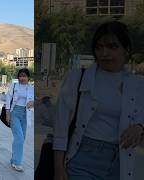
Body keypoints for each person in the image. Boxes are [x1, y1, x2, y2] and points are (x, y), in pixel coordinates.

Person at [53, 21, 144, 180]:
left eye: (112, 47)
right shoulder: (78, 78)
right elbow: (60, 127)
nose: (104, 53)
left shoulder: (137, 84)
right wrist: (58, 168)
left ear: (126, 50)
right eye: (99, 47)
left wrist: (139, 127)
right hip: (82, 160)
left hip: (121, 162)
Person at [5, 68, 34, 172]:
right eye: (20, 76)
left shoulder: (31, 88)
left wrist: (33, 102)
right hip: (15, 113)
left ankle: (13, 159)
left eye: (24, 76)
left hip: (25, 114)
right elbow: (8, 100)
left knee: (21, 138)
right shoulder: (14, 86)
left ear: (28, 77)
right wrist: (8, 114)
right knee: (19, 138)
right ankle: (17, 163)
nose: (22, 78)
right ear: (18, 77)